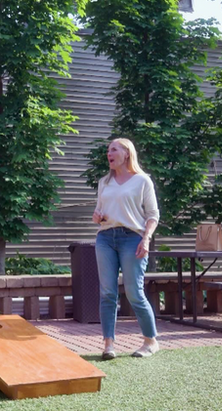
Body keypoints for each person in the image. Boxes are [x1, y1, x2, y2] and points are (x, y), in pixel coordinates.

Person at [92, 138, 160, 359]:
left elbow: (152, 216)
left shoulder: (142, 181)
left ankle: (150, 341)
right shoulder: (104, 181)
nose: (108, 153)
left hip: (133, 238)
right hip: (105, 238)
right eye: (107, 150)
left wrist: (146, 239)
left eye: (113, 149)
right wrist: (97, 216)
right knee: (107, 293)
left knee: (134, 292)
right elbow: (99, 211)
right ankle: (108, 344)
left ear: (127, 153)